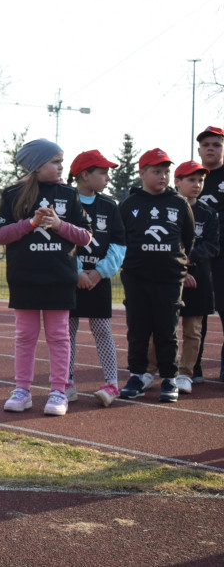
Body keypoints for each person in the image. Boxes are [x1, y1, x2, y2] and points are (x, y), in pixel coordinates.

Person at [0, 139, 92, 416]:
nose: (62, 166)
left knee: (59, 337)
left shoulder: (69, 194)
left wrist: (59, 225)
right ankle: (22, 390)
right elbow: (0, 235)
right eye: (56, 161)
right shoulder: (13, 194)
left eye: (61, 160)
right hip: (24, 278)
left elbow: (85, 236)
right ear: (36, 165)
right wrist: (31, 223)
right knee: (25, 336)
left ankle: (58, 391)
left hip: (59, 278)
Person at [117, 149, 195, 402]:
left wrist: (176, 265)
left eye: (166, 172)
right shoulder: (129, 204)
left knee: (167, 331)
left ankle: (169, 379)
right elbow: (121, 239)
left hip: (169, 279)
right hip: (137, 278)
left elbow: (188, 238)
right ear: (142, 173)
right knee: (138, 330)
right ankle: (138, 375)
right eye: (156, 171)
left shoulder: (179, 203)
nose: (163, 176)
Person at [144, 161, 216, 394]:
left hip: (199, 279)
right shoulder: (166, 208)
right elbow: (163, 241)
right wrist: (178, 266)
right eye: (191, 180)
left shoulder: (208, 213)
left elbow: (213, 245)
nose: (197, 184)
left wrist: (188, 259)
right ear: (177, 182)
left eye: (201, 180)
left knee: (193, 330)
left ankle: (186, 373)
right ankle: (150, 370)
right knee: (163, 327)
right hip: (168, 277)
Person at [66, 150, 126, 406]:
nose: (108, 178)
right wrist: (77, 271)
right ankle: (65, 381)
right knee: (67, 331)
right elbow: (61, 238)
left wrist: (100, 272)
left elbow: (120, 243)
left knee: (102, 329)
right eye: (102, 173)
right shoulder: (66, 201)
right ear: (84, 175)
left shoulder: (109, 206)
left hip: (99, 280)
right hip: (71, 279)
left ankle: (112, 383)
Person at [195, 126, 224, 382]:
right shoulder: (194, 176)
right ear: (199, 150)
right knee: (198, 313)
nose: (211, 149)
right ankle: (193, 367)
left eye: (216, 144)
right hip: (198, 255)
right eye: (207, 145)